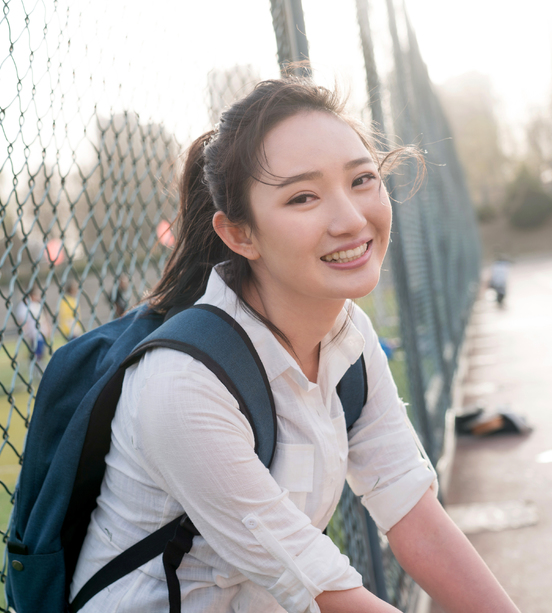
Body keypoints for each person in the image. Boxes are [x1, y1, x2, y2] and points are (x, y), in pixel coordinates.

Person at [69, 78, 518, 612]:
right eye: (303, 197)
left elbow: (409, 508)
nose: (351, 220)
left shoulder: (347, 336)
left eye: (362, 179)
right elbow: (324, 589)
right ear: (241, 235)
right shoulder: (183, 383)